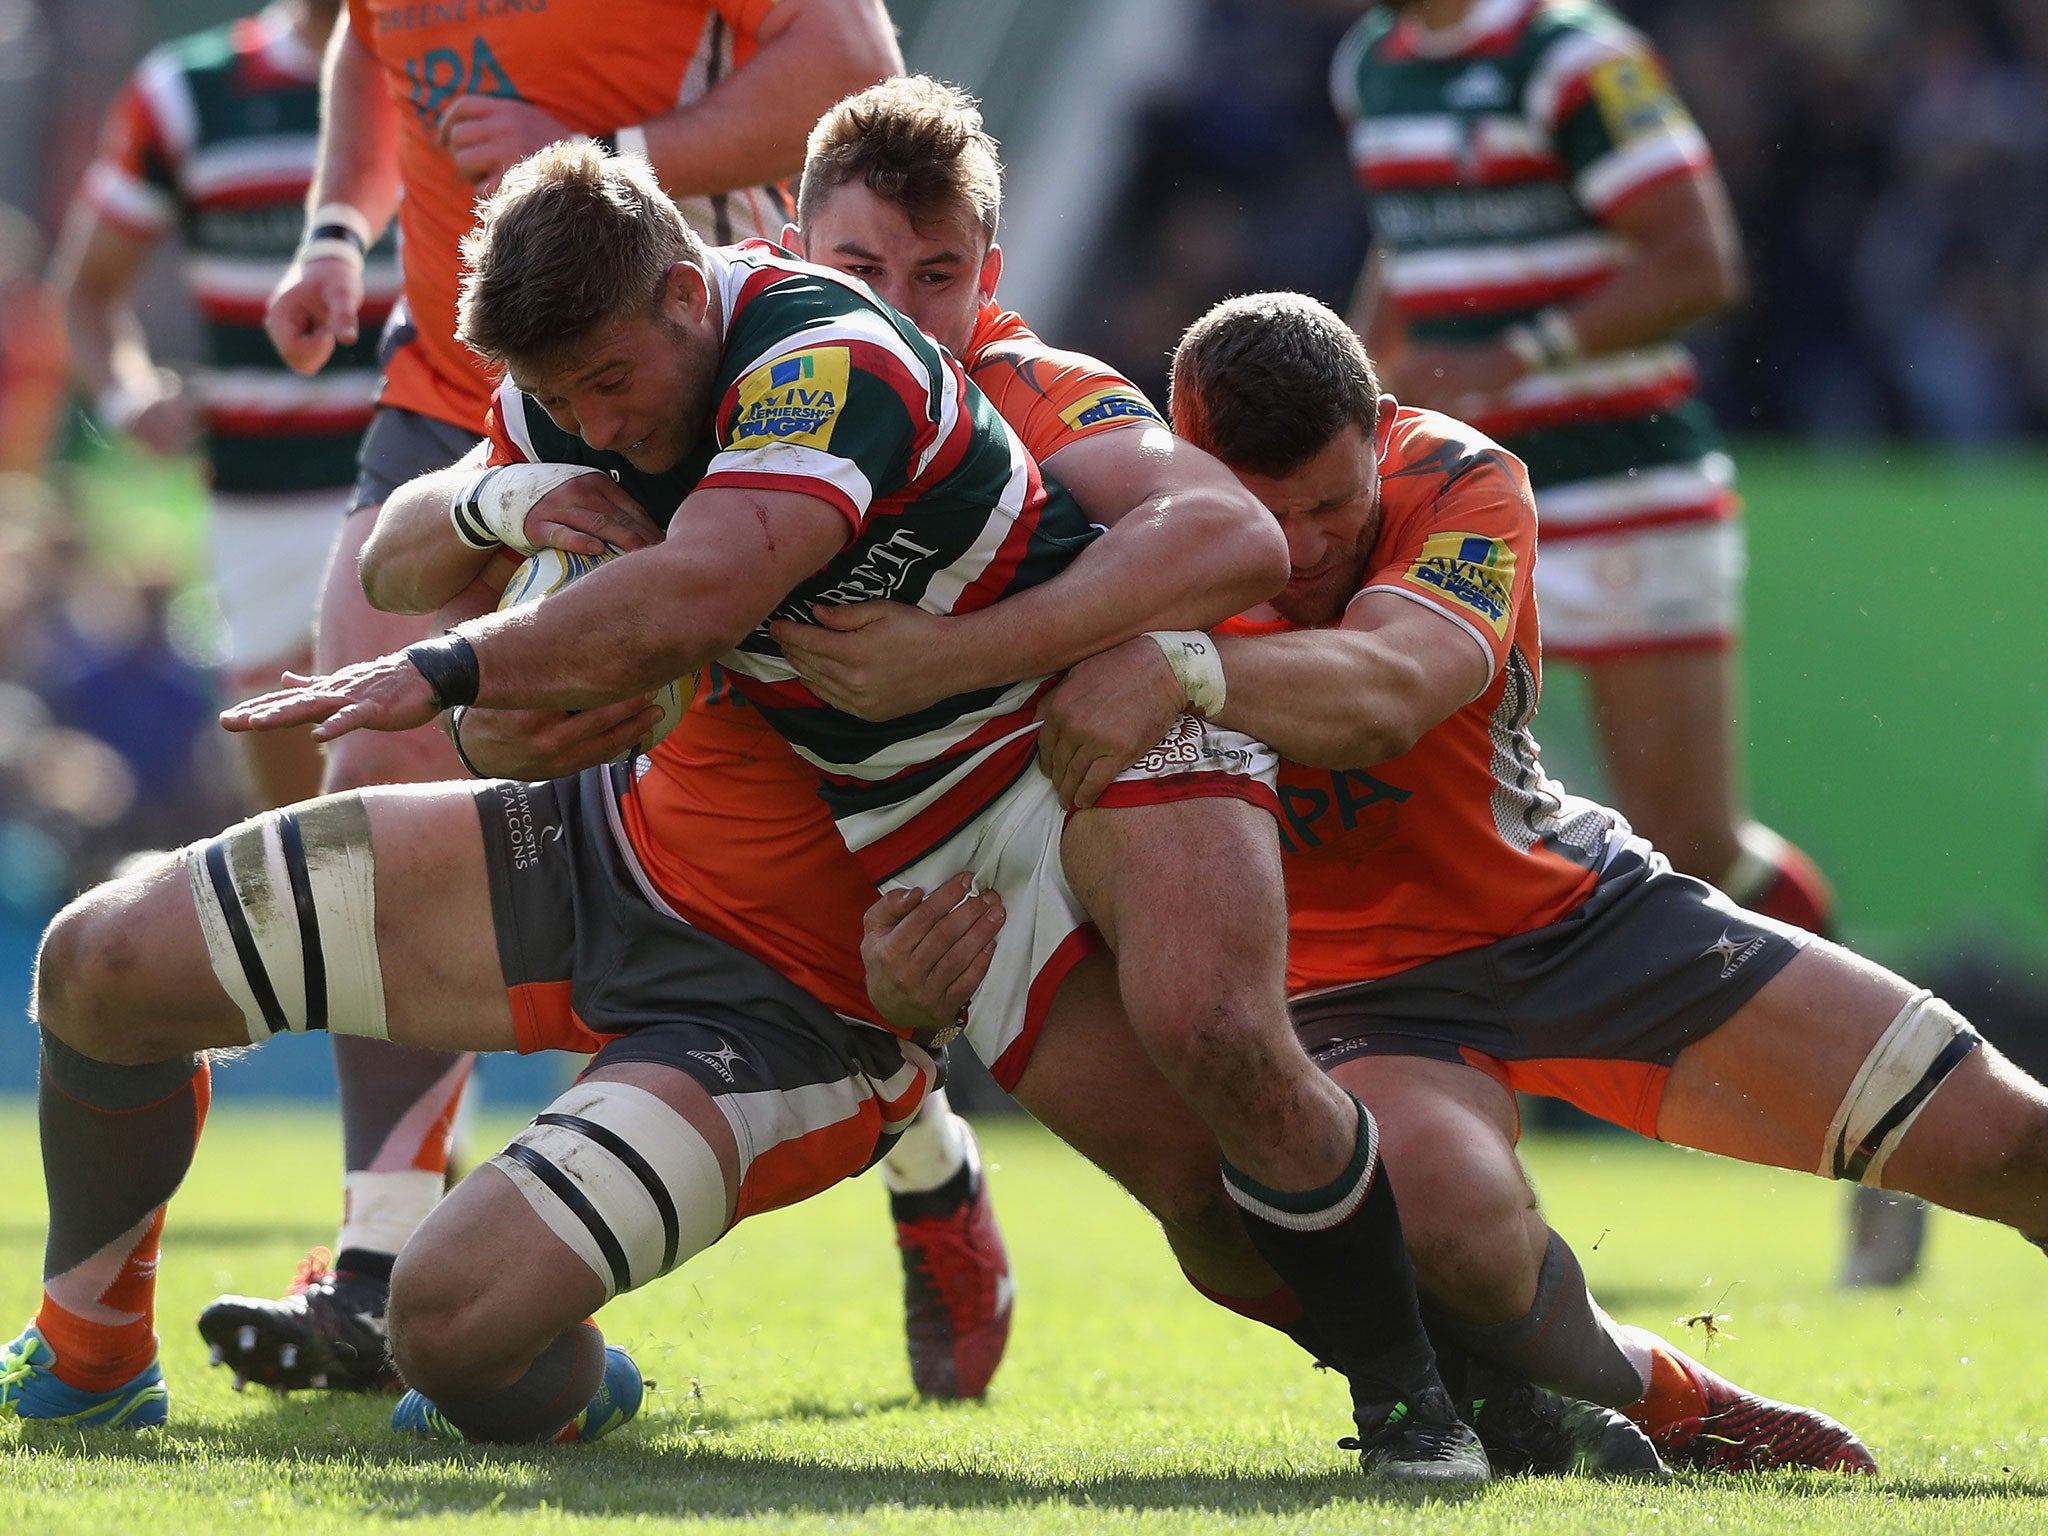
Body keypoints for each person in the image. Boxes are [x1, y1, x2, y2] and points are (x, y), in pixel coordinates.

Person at [7, 147, 1474, 1482]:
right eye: (862, 258)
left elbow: (699, 593)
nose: (593, 419)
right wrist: (505, 513)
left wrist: (453, 671)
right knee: (98, 960)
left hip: (851, 952)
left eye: (936, 270)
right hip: (623, 847)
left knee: (1218, 1139)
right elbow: (437, 564)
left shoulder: (858, 366)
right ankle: (85, 1352)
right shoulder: (579, 384)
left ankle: (1486, 1382)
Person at [880, 290, 2048, 1473]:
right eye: (1266, 517)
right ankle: (1672, 1400)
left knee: (2013, 1145)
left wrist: (1179, 665)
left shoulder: (1457, 476)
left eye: (1335, 504)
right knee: (1444, 1233)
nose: (1304, 548)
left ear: (1377, 428)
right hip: (1356, 1006)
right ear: (1181, 463)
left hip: (1584, 915)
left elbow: (1393, 687)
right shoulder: (1119, 527)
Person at [201, 0, 919, 1392]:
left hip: (676, 381)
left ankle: (930, 1162)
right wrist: (338, 233)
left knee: (718, 783)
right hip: (452, 384)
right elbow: (369, 47)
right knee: (375, 758)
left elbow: (855, 71)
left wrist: (604, 146)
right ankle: (379, 1260)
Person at [1329, 0, 1916, 1292]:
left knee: (1692, 846)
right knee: (1436, 825)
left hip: (1626, 488)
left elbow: (1698, 258)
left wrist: (1520, 352)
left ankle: (1906, 1099)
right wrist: (1361, 380)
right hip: (1466, 499)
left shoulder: (1570, 54)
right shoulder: (1370, 60)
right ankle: (1457, 1182)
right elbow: (1410, 251)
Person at [52, 0, 388, 816]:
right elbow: (87, 291)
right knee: (303, 834)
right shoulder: (187, 92)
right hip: (260, 503)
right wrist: (130, 398)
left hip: (427, 486)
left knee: (435, 816)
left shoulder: (450, 64)